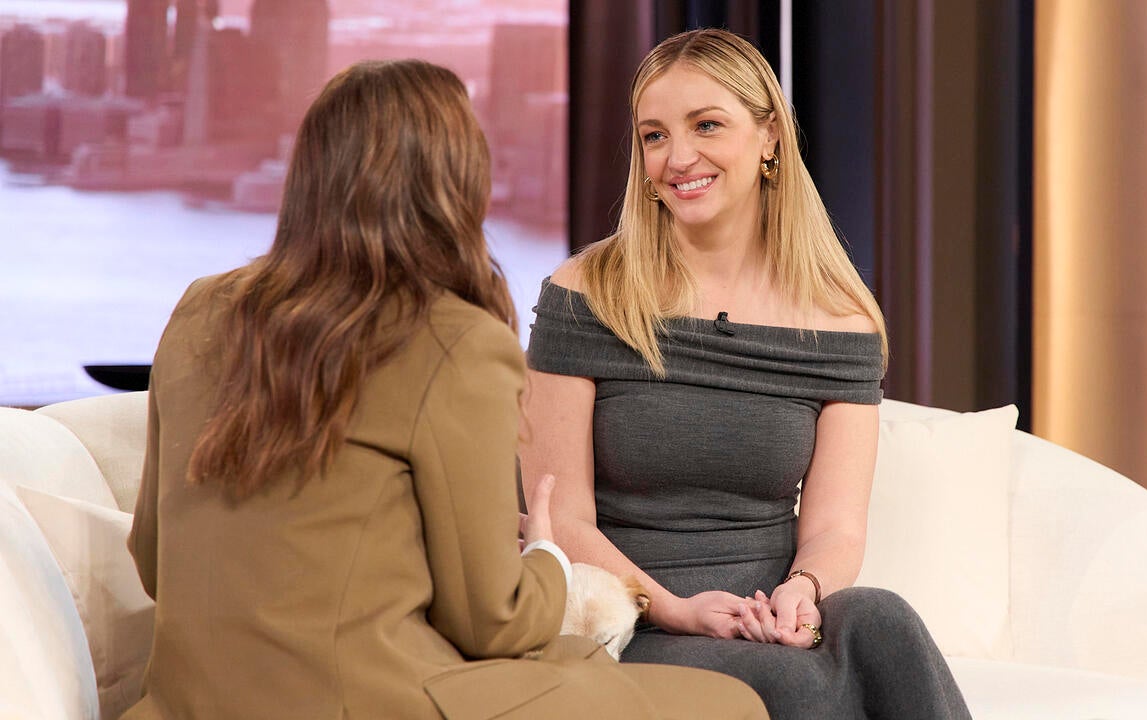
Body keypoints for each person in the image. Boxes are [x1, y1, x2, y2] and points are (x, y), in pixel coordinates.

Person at [122, 59, 767, 720]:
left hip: (182, 707)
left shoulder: (199, 309)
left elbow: (152, 560)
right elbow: (493, 621)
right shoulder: (456, 341)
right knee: (730, 705)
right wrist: (546, 557)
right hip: (368, 703)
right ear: (455, 179)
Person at [521, 29, 972, 720]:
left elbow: (835, 526)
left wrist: (803, 591)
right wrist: (673, 608)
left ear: (769, 137)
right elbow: (560, 518)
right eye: (654, 136)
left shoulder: (840, 320)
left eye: (706, 125)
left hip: (766, 612)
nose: (678, 158)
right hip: (633, 618)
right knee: (797, 687)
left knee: (884, 621)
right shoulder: (587, 294)